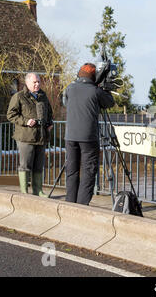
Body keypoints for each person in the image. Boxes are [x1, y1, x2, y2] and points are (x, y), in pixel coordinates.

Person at [63, 63, 115, 205]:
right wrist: (106, 88)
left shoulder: (70, 88)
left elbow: (65, 103)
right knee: (88, 172)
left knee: (72, 171)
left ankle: (69, 203)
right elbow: (110, 102)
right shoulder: (95, 91)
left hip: (70, 137)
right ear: (95, 77)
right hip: (88, 138)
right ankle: (81, 207)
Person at [7, 72, 53, 196]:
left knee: (39, 165)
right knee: (25, 165)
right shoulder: (19, 96)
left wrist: (50, 123)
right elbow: (11, 115)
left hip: (41, 136)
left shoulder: (43, 96)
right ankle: (24, 192)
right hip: (25, 136)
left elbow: (49, 112)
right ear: (27, 83)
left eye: (38, 81)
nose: (37, 84)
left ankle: (38, 190)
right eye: (34, 82)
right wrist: (26, 121)